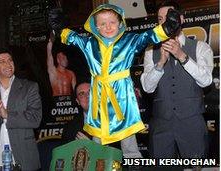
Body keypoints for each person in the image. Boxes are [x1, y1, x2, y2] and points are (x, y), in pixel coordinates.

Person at [49, 3, 181, 145]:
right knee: (97, 142)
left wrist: (166, 29)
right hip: (99, 98)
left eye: (112, 22)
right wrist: (60, 29)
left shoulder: (129, 41)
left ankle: (133, 165)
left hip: (121, 97)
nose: (108, 26)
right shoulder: (89, 43)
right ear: (96, 27)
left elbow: (147, 37)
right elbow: (74, 38)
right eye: (103, 23)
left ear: (120, 24)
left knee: (129, 145)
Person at [140, 0, 214, 158]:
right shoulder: (150, 50)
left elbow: (206, 81)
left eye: (169, 16)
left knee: (196, 166)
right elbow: (147, 87)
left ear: (181, 19)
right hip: (161, 124)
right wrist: (160, 63)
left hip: (191, 122)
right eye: (160, 19)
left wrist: (181, 56)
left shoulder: (201, 47)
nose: (164, 22)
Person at [0, 48, 42, 171]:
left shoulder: (29, 87)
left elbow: (35, 119)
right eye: (2, 61)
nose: (8, 64)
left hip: (24, 159)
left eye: (10, 60)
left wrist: (6, 114)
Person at [62, 81, 143, 158]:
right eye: (82, 94)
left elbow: (125, 158)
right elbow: (64, 156)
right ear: (77, 101)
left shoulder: (119, 121)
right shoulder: (70, 127)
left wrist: (92, 147)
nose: (88, 96)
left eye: (91, 91)